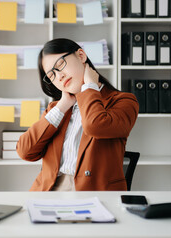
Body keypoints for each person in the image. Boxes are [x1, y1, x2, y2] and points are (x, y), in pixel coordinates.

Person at [17, 38, 139, 191]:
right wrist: (62, 106)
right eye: (51, 75)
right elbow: (25, 151)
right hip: (49, 192)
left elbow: (95, 126)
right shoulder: (57, 109)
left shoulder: (123, 101)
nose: (59, 76)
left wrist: (89, 87)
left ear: (81, 55)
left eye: (60, 64)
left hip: (94, 193)